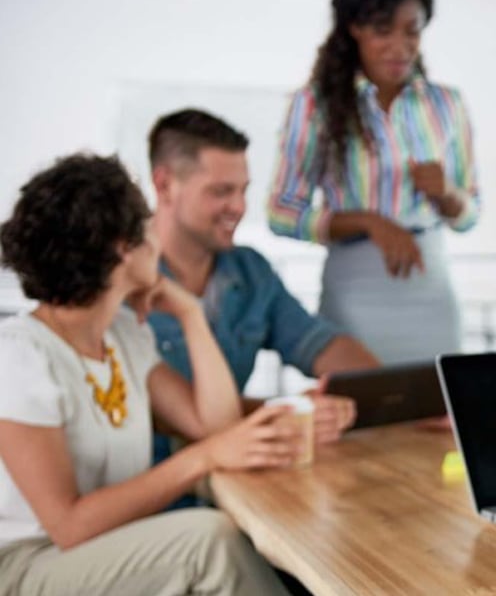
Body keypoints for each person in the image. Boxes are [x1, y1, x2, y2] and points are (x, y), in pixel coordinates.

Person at [0, 154, 296, 595]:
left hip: (110, 550)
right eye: (147, 225)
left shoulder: (123, 335)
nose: (157, 235)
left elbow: (215, 425)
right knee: (208, 542)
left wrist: (191, 316)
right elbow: (68, 526)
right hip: (31, 564)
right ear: (124, 246)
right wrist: (203, 457)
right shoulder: (21, 356)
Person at [148, 108, 379, 452]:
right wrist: (291, 413)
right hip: (158, 492)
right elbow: (164, 411)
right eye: (221, 191)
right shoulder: (121, 279)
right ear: (165, 185)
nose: (239, 207)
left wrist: (389, 390)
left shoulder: (250, 272)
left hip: (236, 480)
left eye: (243, 191)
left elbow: (318, 342)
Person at [267, 0, 479, 365]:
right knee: (359, 409)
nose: (400, 47)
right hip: (355, 289)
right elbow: (281, 212)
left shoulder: (447, 105)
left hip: (430, 288)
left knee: (439, 411)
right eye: (383, 31)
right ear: (355, 28)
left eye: (412, 31)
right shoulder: (314, 105)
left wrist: (447, 193)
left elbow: (470, 214)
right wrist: (370, 222)